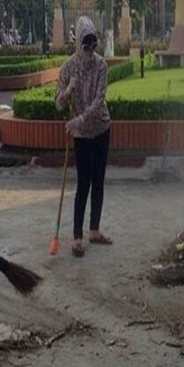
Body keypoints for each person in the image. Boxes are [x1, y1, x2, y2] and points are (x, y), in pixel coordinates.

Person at [55, 16, 112, 257]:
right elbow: (58, 103)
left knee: (98, 181)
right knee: (83, 183)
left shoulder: (101, 65)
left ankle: (94, 230)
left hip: (100, 129)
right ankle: (77, 237)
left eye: (93, 46)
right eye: (86, 46)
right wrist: (69, 89)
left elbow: (99, 100)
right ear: (78, 43)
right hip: (81, 136)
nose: (90, 51)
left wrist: (80, 119)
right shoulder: (67, 68)